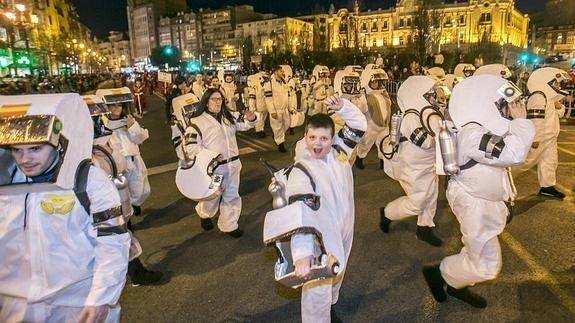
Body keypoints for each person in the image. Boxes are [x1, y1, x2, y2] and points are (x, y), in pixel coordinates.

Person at [0, 93, 130, 322]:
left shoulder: (88, 180)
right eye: (17, 150)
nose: (25, 159)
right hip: (19, 305)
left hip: (78, 301)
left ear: (57, 143)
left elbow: (112, 240)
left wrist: (101, 296)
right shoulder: (9, 184)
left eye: (35, 149)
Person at [422, 75, 534, 308]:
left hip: (480, 202)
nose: (507, 110)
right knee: (487, 265)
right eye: (502, 106)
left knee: (478, 254)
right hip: (474, 205)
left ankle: (455, 283)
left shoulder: (476, 129)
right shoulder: (472, 134)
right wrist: (521, 122)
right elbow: (511, 154)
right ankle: (441, 273)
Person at [285, 94, 366, 323]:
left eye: (323, 138)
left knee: (336, 274)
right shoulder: (302, 171)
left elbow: (359, 125)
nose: (317, 144)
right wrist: (302, 254)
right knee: (316, 291)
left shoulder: (339, 152)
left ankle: (330, 307)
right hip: (319, 238)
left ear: (333, 139)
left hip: (344, 229)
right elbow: (299, 216)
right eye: (312, 137)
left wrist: (343, 108)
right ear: (305, 137)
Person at [181, 88, 258, 237]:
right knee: (213, 195)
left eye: (220, 99)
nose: (218, 102)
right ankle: (205, 214)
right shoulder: (197, 122)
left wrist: (251, 118)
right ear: (206, 102)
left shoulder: (227, 116)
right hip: (215, 169)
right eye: (214, 99)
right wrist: (208, 158)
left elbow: (245, 124)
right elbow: (190, 147)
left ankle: (229, 225)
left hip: (233, 166)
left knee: (232, 195)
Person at [380, 76, 445, 247]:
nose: (436, 98)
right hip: (412, 167)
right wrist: (440, 133)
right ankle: (387, 213)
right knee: (417, 202)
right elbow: (424, 142)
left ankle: (424, 228)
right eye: (431, 95)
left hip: (427, 164)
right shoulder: (410, 117)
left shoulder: (428, 113)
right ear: (419, 96)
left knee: (431, 196)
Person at [513, 67, 571, 199]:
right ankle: (503, 177)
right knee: (524, 162)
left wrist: (559, 105)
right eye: (554, 82)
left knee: (550, 162)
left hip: (550, 137)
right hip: (541, 138)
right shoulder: (539, 97)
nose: (557, 85)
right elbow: (535, 120)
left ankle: (547, 186)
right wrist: (534, 138)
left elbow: (560, 114)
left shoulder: (549, 98)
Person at [98, 88, 151, 216]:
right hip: (115, 165)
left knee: (142, 190)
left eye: (119, 105)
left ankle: (133, 204)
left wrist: (132, 126)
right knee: (120, 194)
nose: (117, 108)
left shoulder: (128, 120)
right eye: (112, 105)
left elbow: (140, 138)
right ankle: (128, 218)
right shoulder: (101, 125)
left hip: (134, 161)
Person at [355, 65, 392, 170]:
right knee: (365, 144)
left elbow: (388, 106)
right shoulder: (364, 94)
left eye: (377, 81)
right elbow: (361, 108)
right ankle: (359, 158)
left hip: (384, 125)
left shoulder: (383, 92)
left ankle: (382, 160)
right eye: (374, 81)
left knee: (384, 143)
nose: (376, 84)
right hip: (371, 125)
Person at [264, 65, 292, 153]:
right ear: (276, 72)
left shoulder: (284, 82)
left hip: (285, 109)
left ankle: (276, 135)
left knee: (287, 124)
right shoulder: (269, 83)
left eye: (283, 71)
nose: (283, 73)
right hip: (276, 109)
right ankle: (280, 144)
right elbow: (268, 98)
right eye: (281, 71)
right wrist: (272, 111)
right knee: (278, 127)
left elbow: (288, 95)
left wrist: (290, 107)